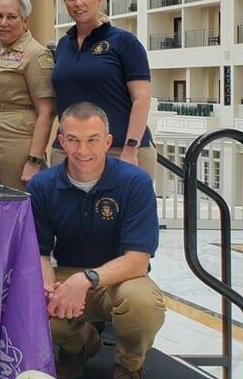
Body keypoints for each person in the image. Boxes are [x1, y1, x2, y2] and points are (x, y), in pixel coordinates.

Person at [28, 103, 165, 379]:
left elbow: (138, 260)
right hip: (67, 273)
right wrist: (46, 288)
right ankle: (79, 345)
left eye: (92, 140)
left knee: (143, 303)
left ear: (108, 142)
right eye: (74, 140)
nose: (83, 151)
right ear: (62, 141)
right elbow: (40, 253)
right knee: (28, 301)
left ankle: (128, 365)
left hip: (120, 279)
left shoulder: (135, 182)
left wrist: (86, 280)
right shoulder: (41, 185)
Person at [52, 0, 155, 179]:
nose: (78, 3)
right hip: (70, 152)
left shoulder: (124, 42)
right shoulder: (63, 45)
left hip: (118, 149)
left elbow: (141, 98)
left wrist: (130, 148)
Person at [0, 0, 55, 190]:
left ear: (25, 21)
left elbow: (47, 112)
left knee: (14, 201)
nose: (3, 22)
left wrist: (34, 160)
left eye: (11, 17)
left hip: (15, 141)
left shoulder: (36, 55)